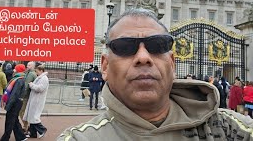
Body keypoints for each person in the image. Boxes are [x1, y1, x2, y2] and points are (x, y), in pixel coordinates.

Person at [58, 8, 253, 140]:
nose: (143, 57)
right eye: (125, 47)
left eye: (157, 45)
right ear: (105, 67)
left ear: (172, 63)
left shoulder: (229, 128)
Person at [0, 64, 28, 141]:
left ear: (18, 70)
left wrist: (8, 105)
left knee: (10, 121)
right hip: (17, 102)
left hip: (15, 103)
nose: (13, 70)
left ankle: (5, 138)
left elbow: (14, 94)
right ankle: (21, 137)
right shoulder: (19, 79)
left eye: (15, 69)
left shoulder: (18, 80)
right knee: (14, 120)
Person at [23, 65, 49, 138]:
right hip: (34, 99)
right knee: (32, 116)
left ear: (41, 70)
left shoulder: (44, 79)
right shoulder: (40, 78)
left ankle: (42, 129)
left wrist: (31, 85)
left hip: (38, 100)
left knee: (34, 117)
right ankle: (33, 133)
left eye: (37, 71)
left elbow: (40, 89)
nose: (36, 72)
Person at [19, 61, 37, 134]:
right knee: (24, 112)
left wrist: (22, 95)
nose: (27, 66)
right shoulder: (30, 73)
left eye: (29, 65)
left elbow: (26, 85)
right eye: (27, 65)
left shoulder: (31, 74)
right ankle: (26, 126)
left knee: (21, 111)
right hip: (28, 96)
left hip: (26, 96)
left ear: (33, 66)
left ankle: (25, 126)